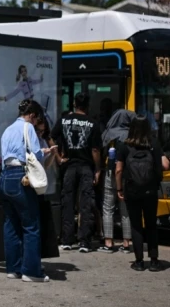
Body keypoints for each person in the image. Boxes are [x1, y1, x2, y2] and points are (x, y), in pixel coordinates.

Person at [0, 99, 54, 282]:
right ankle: (31, 271)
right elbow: (35, 155)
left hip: (5, 177)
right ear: (32, 115)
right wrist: (45, 152)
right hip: (21, 177)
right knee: (31, 225)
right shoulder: (27, 127)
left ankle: (13, 268)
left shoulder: (7, 130)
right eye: (37, 119)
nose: (36, 123)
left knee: (11, 224)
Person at [115, 115, 169, 271]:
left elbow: (118, 170)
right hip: (150, 190)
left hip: (132, 190)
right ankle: (154, 261)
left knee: (136, 225)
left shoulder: (124, 146)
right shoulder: (153, 143)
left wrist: (119, 189)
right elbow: (165, 165)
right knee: (151, 224)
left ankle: (139, 262)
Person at [51, 92, 102, 252]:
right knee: (85, 203)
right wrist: (98, 168)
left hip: (69, 166)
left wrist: (59, 157)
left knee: (68, 202)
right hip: (86, 166)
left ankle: (66, 239)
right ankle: (84, 241)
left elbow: (51, 137)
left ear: (74, 104)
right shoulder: (93, 123)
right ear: (88, 105)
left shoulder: (64, 120)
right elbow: (95, 150)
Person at [99, 109, 135, 253]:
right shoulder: (132, 135)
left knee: (108, 209)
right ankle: (126, 244)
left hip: (110, 173)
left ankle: (108, 242)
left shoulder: (108, 134)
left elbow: (101, 152)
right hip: (127, 174)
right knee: (125, 210)